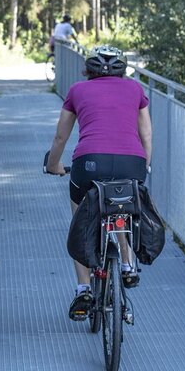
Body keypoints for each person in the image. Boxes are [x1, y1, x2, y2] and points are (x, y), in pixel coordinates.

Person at [44, 45, 153, 321]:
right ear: (123, 69)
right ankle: (128, 266)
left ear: (87, 69)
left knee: (81, 222)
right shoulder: (135, 91)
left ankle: (83, 290)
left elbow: (60, 138)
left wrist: (53, 165)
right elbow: (147, 135)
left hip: (89, 163)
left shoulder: (78, 91)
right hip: (132, 163)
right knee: (121, 209)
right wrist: (144, 166)